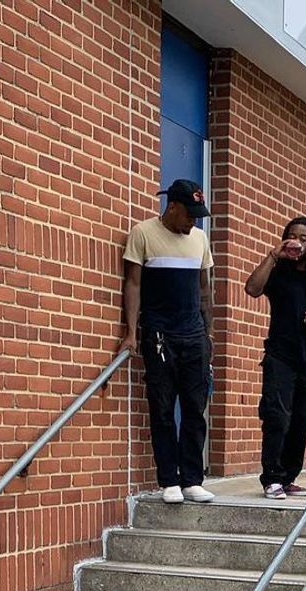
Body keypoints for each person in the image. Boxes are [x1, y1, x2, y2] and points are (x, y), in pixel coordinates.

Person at [120, 179, 215, 505]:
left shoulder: (200, 239)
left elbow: (204, 289)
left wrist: (208, 332)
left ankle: (192, 479)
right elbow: (132, 284)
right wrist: (131, 333)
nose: (193, 222)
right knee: (162, 408)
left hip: (194, 335)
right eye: (189, 215)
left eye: (197, 216)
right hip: (159, 333)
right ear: (172, 207)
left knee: (194, 408)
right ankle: (169, 479)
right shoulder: (143, 233)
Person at [244, 217, 306, 499]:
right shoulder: (278, 274)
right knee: (277, 417)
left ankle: (287, 477)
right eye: (292, 236)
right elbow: (252, 288)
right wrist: (274, 254)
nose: (297, 242)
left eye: (304, 238)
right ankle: (271, 478)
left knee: (301, 419)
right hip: (279, 357)